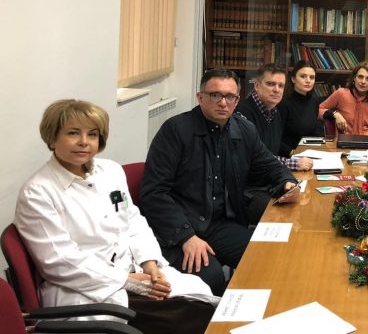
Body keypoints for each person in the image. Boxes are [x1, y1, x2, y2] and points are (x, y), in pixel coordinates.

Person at [15, 100, 216, 334]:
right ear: (52, 138)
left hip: (133, 270)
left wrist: (149, 263)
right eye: (73, 133)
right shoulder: (38, 192)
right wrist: (128, 281)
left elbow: (133, 222)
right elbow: (60, 262)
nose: (84, 141)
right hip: (87, 289)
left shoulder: (110, 171)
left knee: (202, 298)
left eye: (92, 134)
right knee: (188, 318)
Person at [141, 69, 299, 296]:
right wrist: (186, 236)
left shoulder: (244, 129)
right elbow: (154, 192)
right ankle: (219, 314)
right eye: (215, 95)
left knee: (267, 256)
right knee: (212, 277)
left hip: (219, 224)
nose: (223, 102)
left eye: (230, 96)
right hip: (182, 225)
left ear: (237, 99)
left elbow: (269, 163)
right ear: (200, 97)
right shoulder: (175, 130)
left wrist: (287, 182)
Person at [236, 63, 313, 172]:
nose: (277, 90)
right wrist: (293, 163)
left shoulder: (275, 112)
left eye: (281, 86)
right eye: (270, 84)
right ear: (257, 86)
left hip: (272, 175)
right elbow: (254, 158)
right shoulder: (242, 114)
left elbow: (273, 151)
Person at [319, 61, 368, 135]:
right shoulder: (341, 94)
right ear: (354, 78)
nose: (363, 81)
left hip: (367, 140)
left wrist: (361, 141)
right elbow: (319, 110)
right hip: (343, 140)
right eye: (360, 77)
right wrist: (335, 114)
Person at [278, 61, 324, 150]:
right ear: (293, 79)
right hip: (289, 153)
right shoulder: (283, 103)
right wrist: (291, 153)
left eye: (312, 77)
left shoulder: (314, 101)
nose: (308, 81)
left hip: (309, 151)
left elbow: (313, 130)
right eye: (303, 76)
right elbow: (275, 138)